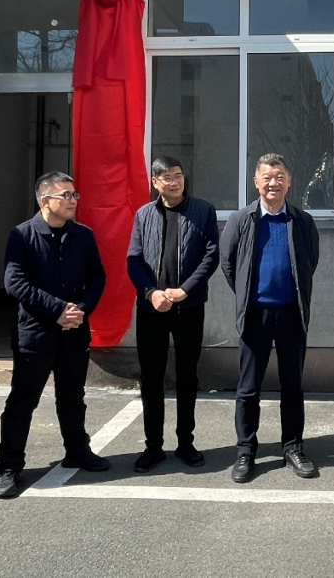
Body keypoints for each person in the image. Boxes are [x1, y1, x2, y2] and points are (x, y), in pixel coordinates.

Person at [0, 172, 108, 498]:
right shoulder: (22, 236)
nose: (73, 201)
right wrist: (57, 310)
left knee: (72, 398)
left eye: (74, 195)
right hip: (35, 334)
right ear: (45, 200)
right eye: (65, 195)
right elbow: (15, 283)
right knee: (22, 401)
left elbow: (97, 278)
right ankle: (10, 466)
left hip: (74, 332)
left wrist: (80, 309)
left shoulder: (83, 236)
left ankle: (77, 450)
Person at [220, 153, 319, 483]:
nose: (273, 183)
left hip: (291, 313)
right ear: (256, 182)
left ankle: (293, 448)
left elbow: (310, 262)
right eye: (267, 177)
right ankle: (246, 451)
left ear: (289, 182)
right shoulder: (242, 220)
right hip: (255, 315)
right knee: (249, 388)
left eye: (279, 177)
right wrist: (247, 294)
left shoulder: (302, 221)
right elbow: (229, 264)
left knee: (292, 386)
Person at [127, 156, 220, 472]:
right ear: (155, 183)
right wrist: (151, 293)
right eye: (166, 177)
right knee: (151, 377)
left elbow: (211, 256)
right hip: (151, 309)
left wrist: (185, 290)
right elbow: (134, 260)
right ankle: (153, 446)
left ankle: (185, 443)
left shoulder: (203, 211)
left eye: (178, 175)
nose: (174, 181)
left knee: (187, 376)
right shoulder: (143, 215)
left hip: (188, 308)